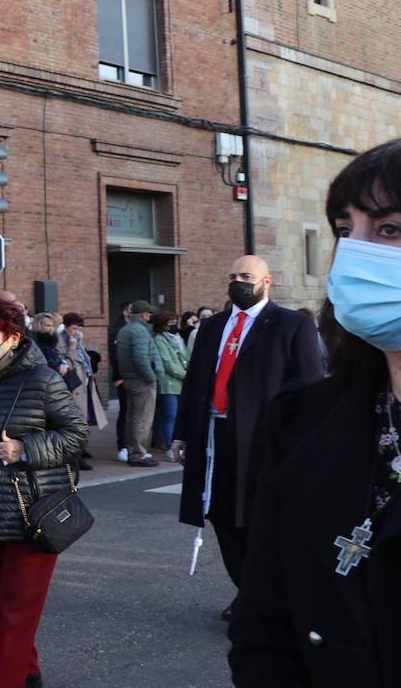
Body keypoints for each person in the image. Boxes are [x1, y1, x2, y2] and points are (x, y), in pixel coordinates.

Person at [229, 139, 401, 684]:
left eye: (390, 229)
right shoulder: (303, 420)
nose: (355, 252)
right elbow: (265, 620)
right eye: (345, 231)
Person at [0, 297, 88, 688]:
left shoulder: (41, 379)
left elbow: (77, 433)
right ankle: (27, 671)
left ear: (13, 339)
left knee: (17, 612)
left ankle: (4, 680)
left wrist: (26, 449)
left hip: (30, 515)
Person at [171, 255, 324, 618]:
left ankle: (267, 598)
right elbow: (194, 384)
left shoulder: (291, 326)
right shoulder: (212, 327)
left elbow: (310, 388)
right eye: (233, 275)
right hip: (214, 438)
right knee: (223, 519)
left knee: (260, 521)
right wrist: (181, 434)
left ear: (266, 281)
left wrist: (301, 442)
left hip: (264, 442)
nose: (238, 281)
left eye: (246, 276)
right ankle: (250, 593)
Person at [115, 300, 161, 467]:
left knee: (132, 418)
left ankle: (132, 451)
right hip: (141, 380)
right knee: (142, 418)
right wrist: (151, 377)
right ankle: (139, 454)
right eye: (148, 314)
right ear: (143, 315)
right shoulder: (139, 331)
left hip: (129, 379)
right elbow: (141, 357)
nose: (150, 316)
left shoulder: (125, 330)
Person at [57, 313, 104, 470]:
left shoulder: (77, 340)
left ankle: (81, 451)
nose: (77, 331)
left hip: (85, 384)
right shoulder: (62, 340)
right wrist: (71, 347)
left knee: (85, 420)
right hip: (74, 387)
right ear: (66, 327)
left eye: (79, 328)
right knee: (76, 422)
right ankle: (76, 456)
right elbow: (65, 363)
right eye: (74, 328)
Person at [151, 313, 188, 458]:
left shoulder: (178, 339)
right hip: (168, 383)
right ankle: (169, 446)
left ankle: (161, 441)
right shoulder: (159, 340)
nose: (174, 325)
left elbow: (187, 356)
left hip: (181, 383)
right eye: (171, 322)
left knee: (175, 415)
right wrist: (184, 374)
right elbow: (167, 363)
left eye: (176, 322)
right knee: (170, 416)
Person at [108, 300, 133, 461]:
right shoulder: (119, 330)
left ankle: (131, 444)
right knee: (125, 412)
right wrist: (121, 377)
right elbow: (117, 356)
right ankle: (123, 446)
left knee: (134, 413)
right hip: (124, 377)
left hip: (133, 377)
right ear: (125, 312)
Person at [32, 312, 68, 377]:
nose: (51, 329)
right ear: (39, 326)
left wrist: (63, 364)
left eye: (53, 326)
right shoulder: (37, 343)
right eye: (48, 326)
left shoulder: (52, 342)